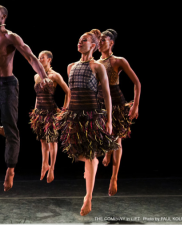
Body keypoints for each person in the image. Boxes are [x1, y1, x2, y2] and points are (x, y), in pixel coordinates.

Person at [0, 5, 48, 191]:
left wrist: (44, 77)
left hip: (7, 85)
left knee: (11, 126)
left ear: (4, 17)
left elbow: (30, 56)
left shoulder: (10, 37)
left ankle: (10, 169)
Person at [58, 29, 119, 216]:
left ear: (93, 46)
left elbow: (107, 94)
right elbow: (70, 93)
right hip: (75, 118)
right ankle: (92, 165)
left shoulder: (97, 67)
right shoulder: (70, 67)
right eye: (78, 40)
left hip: (91, 117)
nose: (79, 42)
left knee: (90, 156)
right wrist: (65, 110)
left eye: (83, 41)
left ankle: (88, 197)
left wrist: (108, 120)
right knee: (78, 154)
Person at [97, 29, 141, 196]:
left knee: (117, 140)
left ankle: (114, 177)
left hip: (116, 103)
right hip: (100, 104)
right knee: (103, 137)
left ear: (111, 42)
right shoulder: (94, 61)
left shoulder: (118, 61)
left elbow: (137, 83)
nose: (100, 43)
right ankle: (107, 152)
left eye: (103, 40)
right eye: (99, 40)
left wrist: (135, 105)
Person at [29, 50, 70, 183]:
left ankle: (52, 168)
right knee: (42, 140)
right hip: (40, 112)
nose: (40, 60)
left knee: (52, 140)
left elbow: (68, 92)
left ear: (49, 60)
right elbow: (37, 95)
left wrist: (64, 110)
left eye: (42, 58)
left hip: (51, 112)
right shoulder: (36, 76)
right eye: (38, 58)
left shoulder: (54, 76)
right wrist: (35, 110)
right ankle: (44, 164)